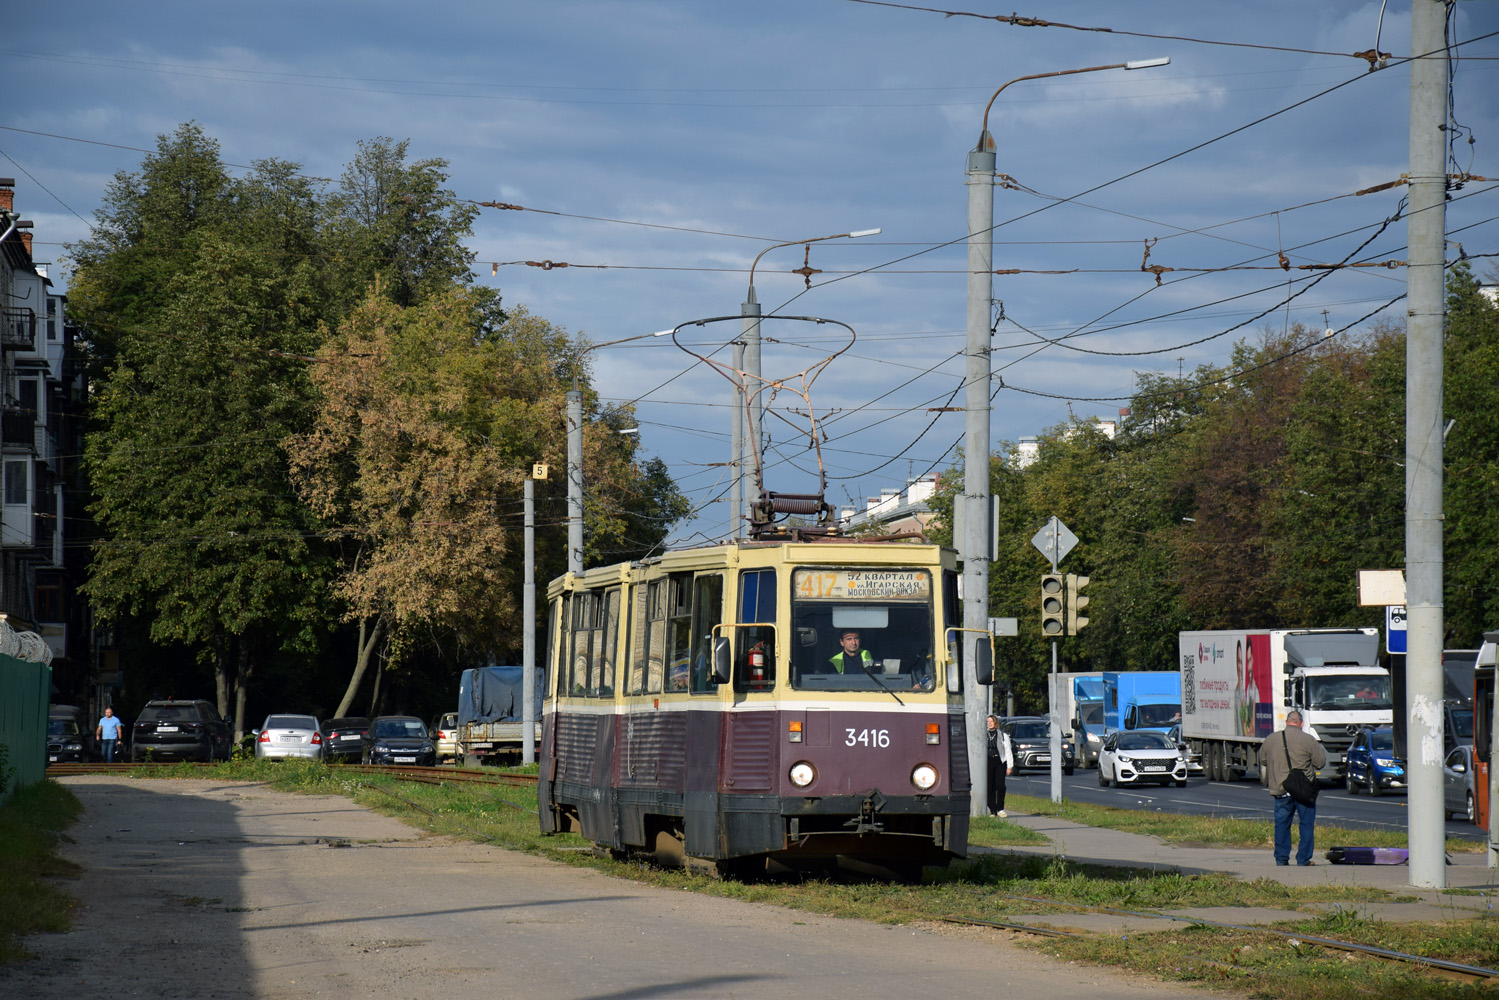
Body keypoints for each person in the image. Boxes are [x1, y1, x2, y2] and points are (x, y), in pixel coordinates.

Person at [1264, 709, 1327, 866]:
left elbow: (1263, 760)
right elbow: (1320, 762)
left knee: (1282, 823)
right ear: (1301, 724)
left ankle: (1281, 858)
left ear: (1286, 723)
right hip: (1303, 790)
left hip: (1281, 788)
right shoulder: (1308, 740)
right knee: (1306, 824)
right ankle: (1303, 858)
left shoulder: (1271, 739)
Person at [985, 715, 1014, 817]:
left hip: (1000, 761)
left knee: (1000, 785)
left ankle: (1000, 808)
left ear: (995, 722)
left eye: (991, 721)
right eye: (988, 721)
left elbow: (1008, 750)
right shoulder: (984, 734)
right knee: (990, 786)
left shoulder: (1002, 735)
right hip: (988, 761)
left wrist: (1010, 766)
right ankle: (992, 809)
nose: (989, 723)